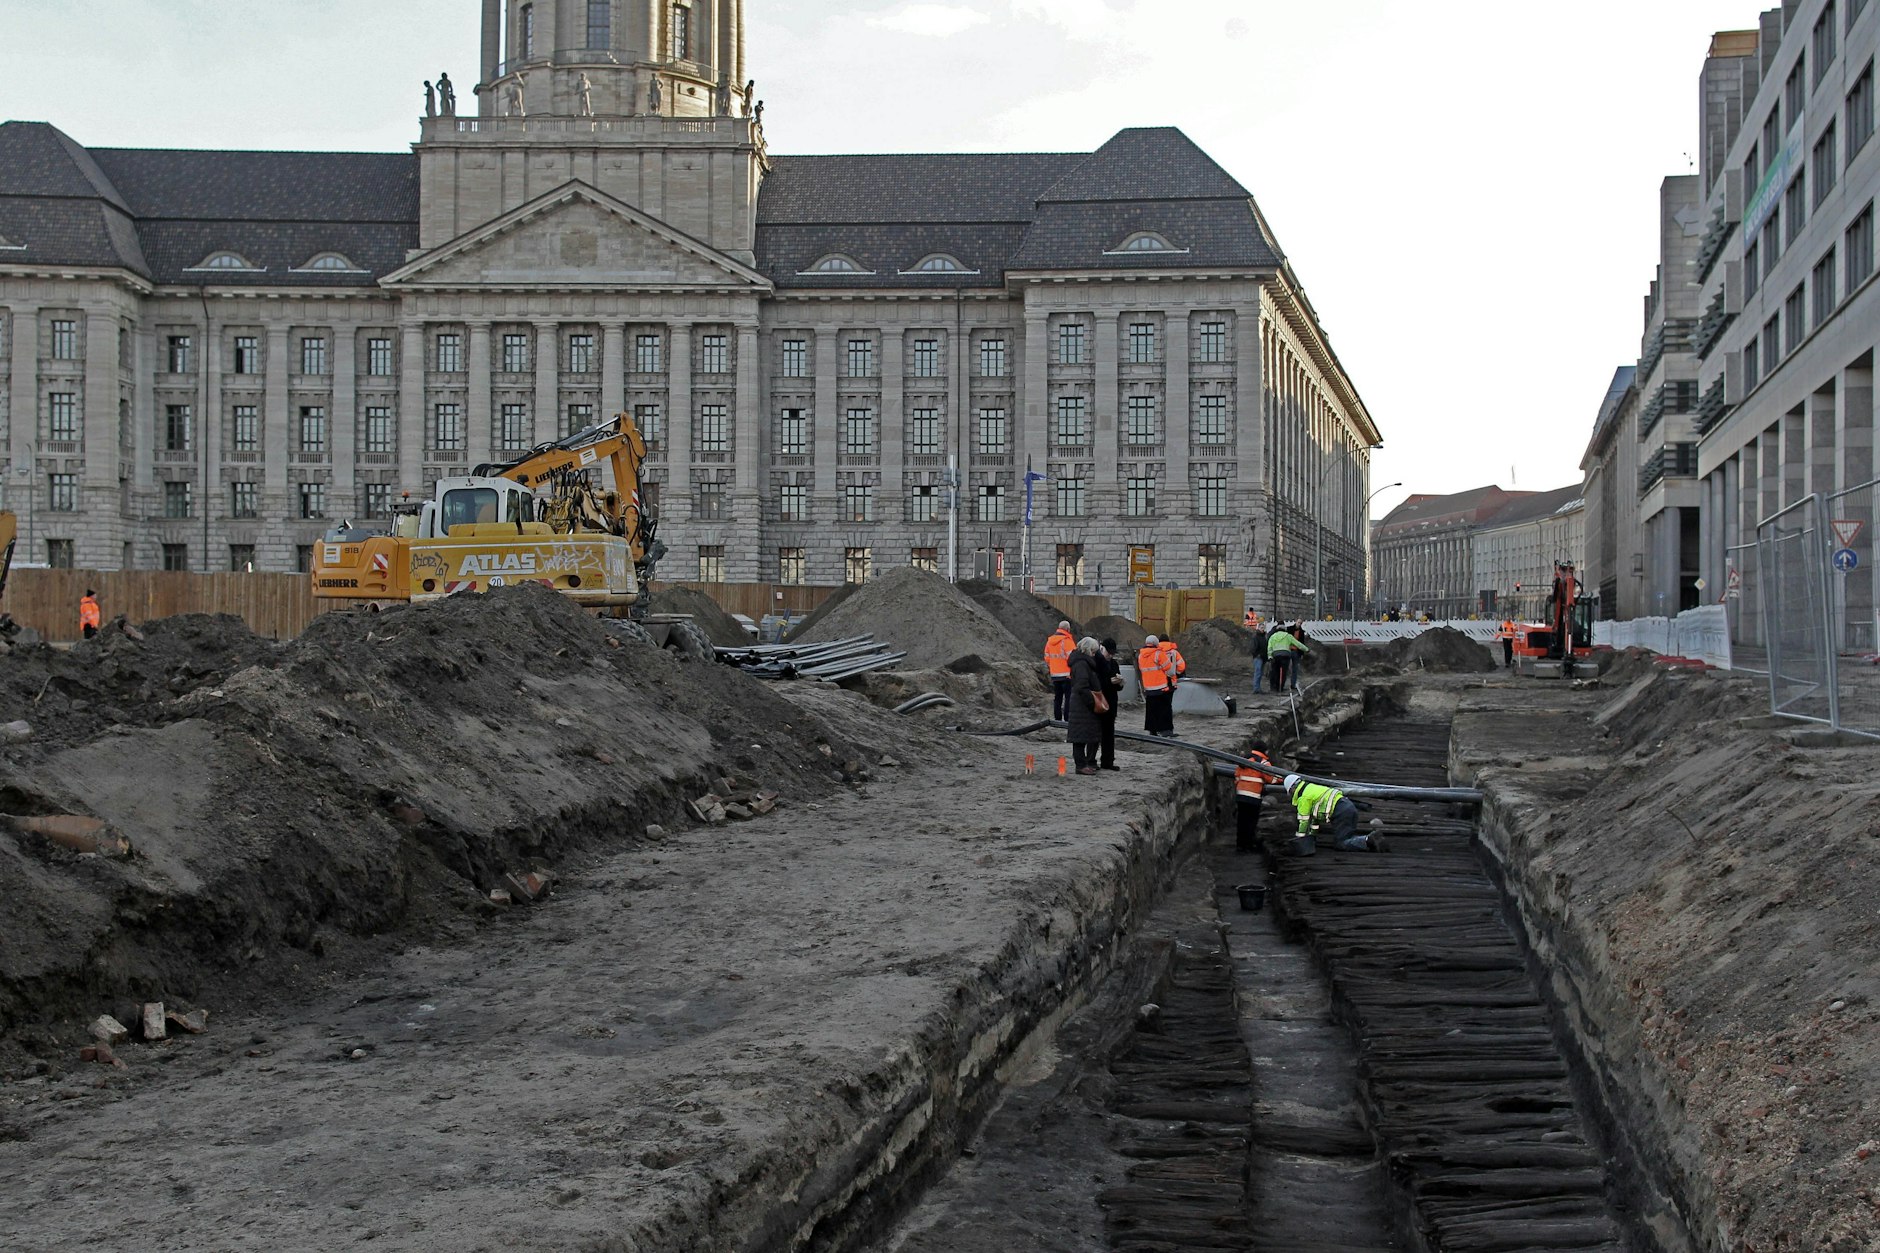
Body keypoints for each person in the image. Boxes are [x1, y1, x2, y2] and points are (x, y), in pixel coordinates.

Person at [1282, 774, 1388, 855]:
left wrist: (1300, 839)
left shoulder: (1303, 798)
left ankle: (1368, 839)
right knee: (1347, 836)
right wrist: (1312, 835)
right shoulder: (1311, 788)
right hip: (1348, 806)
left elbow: (1304, 821)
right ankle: (1366, 840)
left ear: (1292, 789)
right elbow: (1314, 819)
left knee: (1341, 844)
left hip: (1341, 813)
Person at [1065, 637, 1104, 775]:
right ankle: (1081, 765)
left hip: (1081, 705)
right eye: (1093, 652)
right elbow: (1082, 686)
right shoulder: (1082, 663)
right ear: (1088, 650)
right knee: (1080, 737)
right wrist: (1092, 702)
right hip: (1082, 706)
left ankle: (1084, 764)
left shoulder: (1081, 662)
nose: (1094, 655)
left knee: (1083, 734)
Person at [1234, 743, 1274, 852]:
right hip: (1254, 797)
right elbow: (1270, 778)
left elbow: (1237, 776)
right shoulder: (1263, 762)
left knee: (1241, 821)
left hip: (1241, 795)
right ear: (1264, 751)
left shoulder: (1243, 760)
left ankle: (1240, 845)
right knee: (1251, 822)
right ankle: (1249, 845)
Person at [1138, 634, 1174, 738]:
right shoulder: (1158, 653)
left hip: (1148, 687)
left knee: (1151, 710)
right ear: (1156, 643)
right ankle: (1165, 730)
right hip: (1161, 686)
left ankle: (1152, 730)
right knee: (1164, 709)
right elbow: (1168, 667)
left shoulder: (1141, 655)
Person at [1095, 638, 1123, 770]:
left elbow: (1118, 685)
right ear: (1102, 648)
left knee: (1109, 734)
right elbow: (1096, 684)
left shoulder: (1114, 664)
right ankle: (1091, 761)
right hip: (1099, 702)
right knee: (1095, 733)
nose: (1110, 655)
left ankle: (1108, 761)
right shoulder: (1096, 662)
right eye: (1109, 652)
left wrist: (1120, 683)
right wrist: (1110, 682)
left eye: (1112, 653)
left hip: (1111, 703)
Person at [1043, 621, 1076, 721]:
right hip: (1067, 675)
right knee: (1068, 698)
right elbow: (1073, 658)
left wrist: (1053, 666)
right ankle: (1067, 719)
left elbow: (1047, 657)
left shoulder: (1050, 641)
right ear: (1067, 629)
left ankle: (1057, 718)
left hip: (1055, 675)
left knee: (1057, 698)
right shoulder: (1067, 641)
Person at [1266, 622, 1302, 692]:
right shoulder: (1287, 635)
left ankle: (1274, 687)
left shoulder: (1273, 635)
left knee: (1275, 671)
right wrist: (1307, 650)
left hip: (1275, 655)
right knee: (1283, 672)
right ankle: (1280, 687)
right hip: (1285, 655)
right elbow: (1298, 644)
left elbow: (1269, 646)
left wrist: (1269, 655)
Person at [1155, 635, 1186, 703]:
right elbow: (1181, 666)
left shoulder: (1155, 653)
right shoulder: (1174, 652)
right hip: (1170, 680)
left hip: (1157, 681)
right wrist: (1177, 673)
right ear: (1169, 641)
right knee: (1168, 702)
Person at [1249, 623, 1269, 694]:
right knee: (1258, 672)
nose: (1262, 629)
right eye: (1261, 627)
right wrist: (1257, 654)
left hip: (1263, 657)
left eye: (1263, 628)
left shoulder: (1264, 637)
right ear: (1258, 628)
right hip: (1258, 657)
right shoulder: (1255, 637)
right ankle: (1256, 688)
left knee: (1260, 673)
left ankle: (1258, 687)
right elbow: (1253, 647)